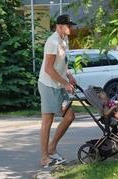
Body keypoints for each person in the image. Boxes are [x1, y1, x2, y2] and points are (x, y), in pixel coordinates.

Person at [38, 14, 77, 168]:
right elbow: (48, 68)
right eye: (69, 26)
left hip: (59, 85)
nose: (71, 28)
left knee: (69, 116)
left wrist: (70, 76)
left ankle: (52, 147)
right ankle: (44, 157)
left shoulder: (63, 40)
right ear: (60, 26)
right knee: (47, 121)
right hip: (48, 85)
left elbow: (63, 63)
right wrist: (65, 84)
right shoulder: (52, 42)